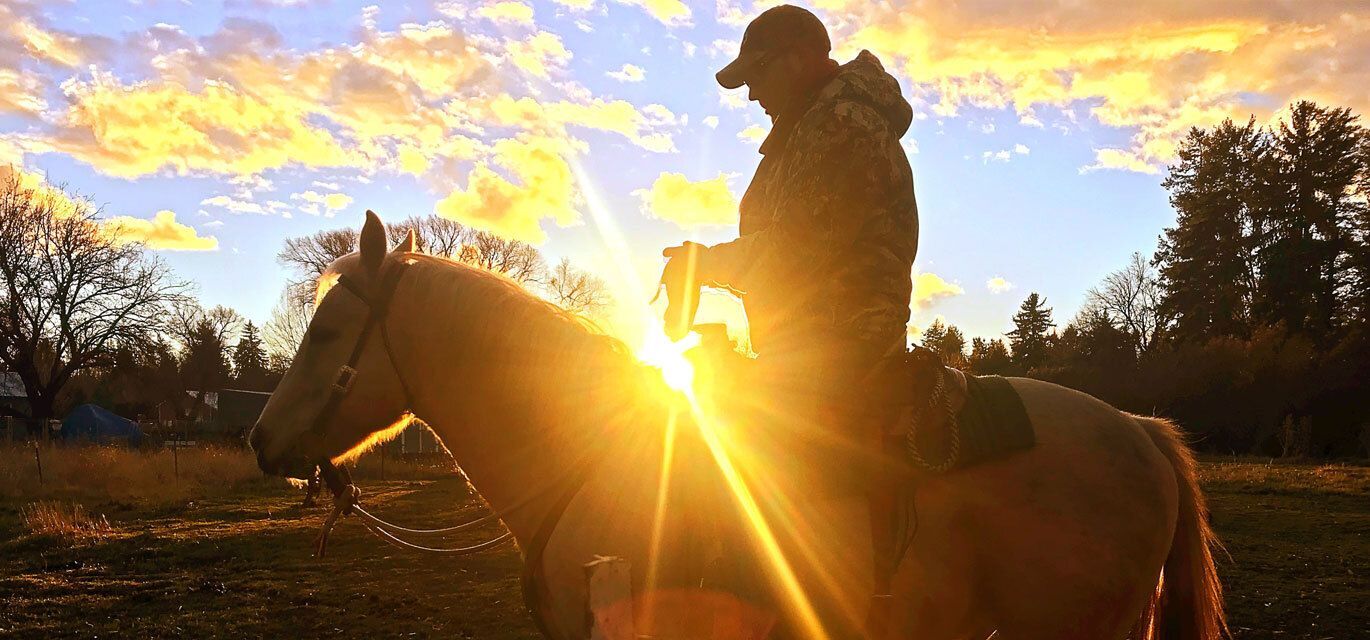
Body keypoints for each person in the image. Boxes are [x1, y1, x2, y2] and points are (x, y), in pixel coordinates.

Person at [658, 4, 922, 635]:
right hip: (803, 337)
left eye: (759, 73)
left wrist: (704, 264)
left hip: (842, 339)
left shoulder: (844, 125)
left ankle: (773, 604)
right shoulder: (809, 127)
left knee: (745, 462)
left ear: (804, 57)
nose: (751, 93)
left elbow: (800, 250)